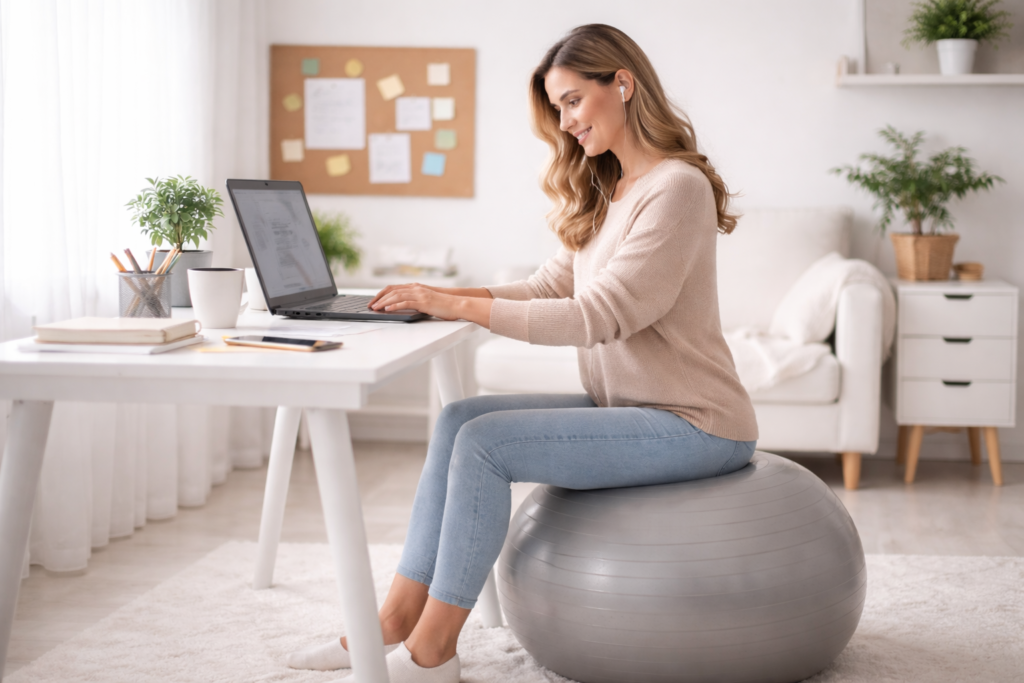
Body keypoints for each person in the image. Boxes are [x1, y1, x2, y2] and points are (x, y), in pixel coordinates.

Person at [287, 23, 758, 683]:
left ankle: (431, 652)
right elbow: (547, 287)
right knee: (459, 421)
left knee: (487, 444)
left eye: (572, 101)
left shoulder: (676, 189)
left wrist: (458, 306)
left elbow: (599, 315)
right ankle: (390, 620)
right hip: (630, 406)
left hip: (696, 423)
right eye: (557, 109)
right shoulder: (609, 188)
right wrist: (439, 294)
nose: (566, 123)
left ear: (622, 83)